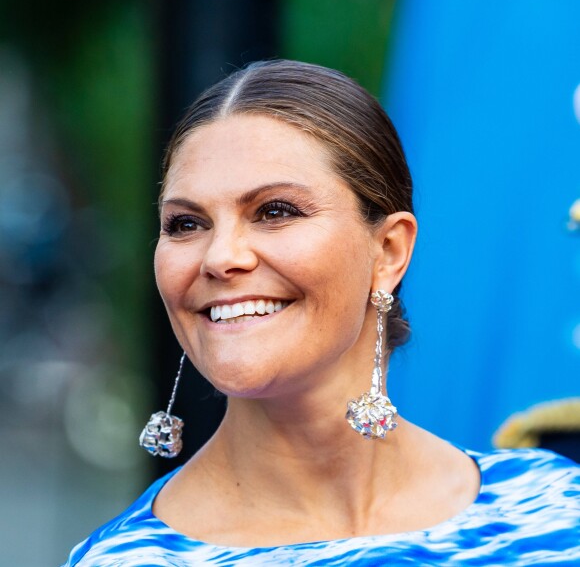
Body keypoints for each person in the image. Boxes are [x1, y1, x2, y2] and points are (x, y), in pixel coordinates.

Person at [63, 60, 579, 566]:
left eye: (275, 211)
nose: (219, 257)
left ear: (389, 251)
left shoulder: (556, 512)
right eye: (185, 224)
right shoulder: (127, 560)